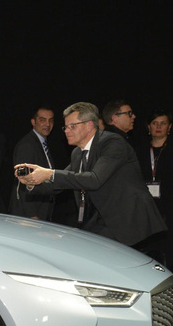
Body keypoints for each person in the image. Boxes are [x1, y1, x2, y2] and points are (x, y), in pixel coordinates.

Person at [15, 101, 165, 248]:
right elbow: (61, 183)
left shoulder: (112, 142)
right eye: (66, 127)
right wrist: (31, 182)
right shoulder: (77, 153)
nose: (66, 131)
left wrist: (49, 173)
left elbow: (94, 179)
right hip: (101, 219)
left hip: (128, 220)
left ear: (89, 125)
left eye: (72, 126)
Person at [136, 109, 173, 269]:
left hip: (172, 209)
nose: (158, 127)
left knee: (170, 254)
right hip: (146, 210)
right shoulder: (140, 150)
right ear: (148, 127)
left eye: (163, 123)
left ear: (169, 127)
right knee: (146, 255)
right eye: (155, 123)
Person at [9, 106, 58, 220]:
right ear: (33, 122)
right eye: (42, 120)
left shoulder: (42, 143)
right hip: (28, 215)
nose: (47, 124)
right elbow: (23, 182)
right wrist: (32, 215)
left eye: (51, 120)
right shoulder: (27, 145)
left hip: (41, 211)